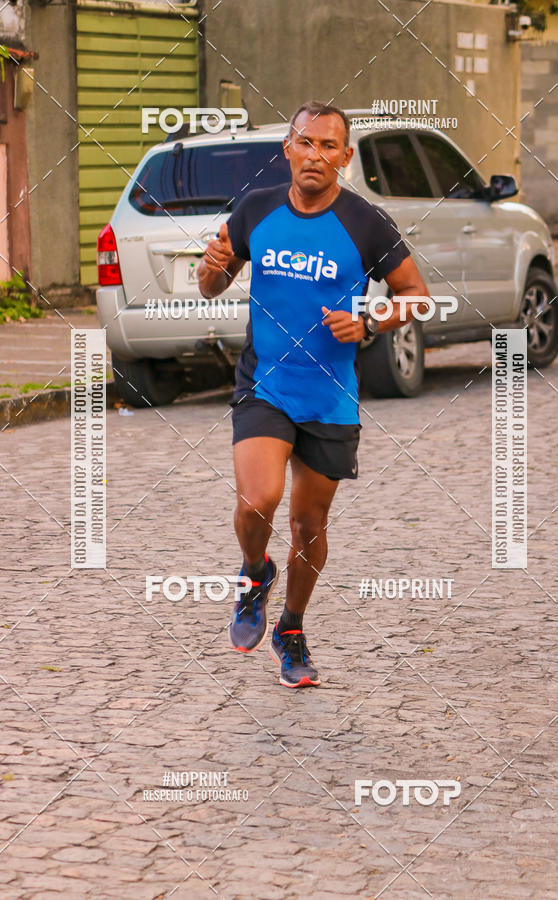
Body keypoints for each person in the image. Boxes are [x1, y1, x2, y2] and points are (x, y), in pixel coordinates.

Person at [198, 100, 429, 688]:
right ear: (289, 149)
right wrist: (214, 266)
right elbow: (210, 285)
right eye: (306, 143)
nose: (315, 155)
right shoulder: (255, 210)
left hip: (330, 398)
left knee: (308, 525)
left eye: (329, 146)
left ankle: (292, 630)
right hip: (265, 384)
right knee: (258, 500)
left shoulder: (366, 223)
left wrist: (372, 321)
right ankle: (256, 573)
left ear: (344, 157)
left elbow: (419, 297)